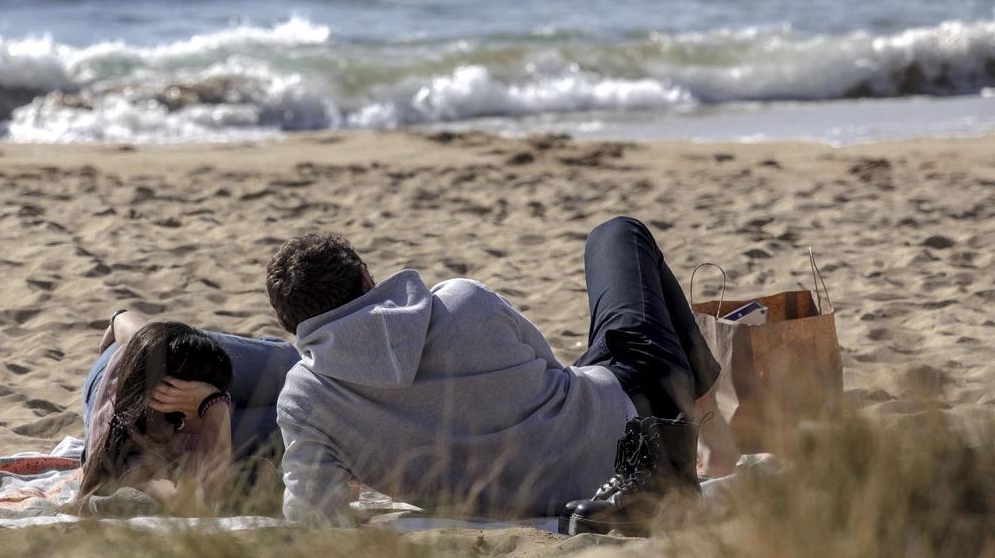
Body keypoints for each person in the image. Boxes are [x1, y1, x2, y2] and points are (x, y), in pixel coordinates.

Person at [266, 216, 720, 532]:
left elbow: (312, 513)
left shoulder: (306, 397)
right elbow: (550, 369)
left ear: (297, 326)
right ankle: (704, 396)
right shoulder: (461, 300)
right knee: (618, 233)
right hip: (637, 432)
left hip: (553, 501)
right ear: (367, 278)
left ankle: (699, 405)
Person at [79, 311, 299, 504]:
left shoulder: (152, 359)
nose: (222, 398)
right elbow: (203, 501)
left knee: (289, 362)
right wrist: (214, 405)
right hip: (161, 381)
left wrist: (118, 316)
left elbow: (139, 333)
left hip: (167, 357)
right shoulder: (136, 462)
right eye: (209, 397)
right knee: (295, 421)